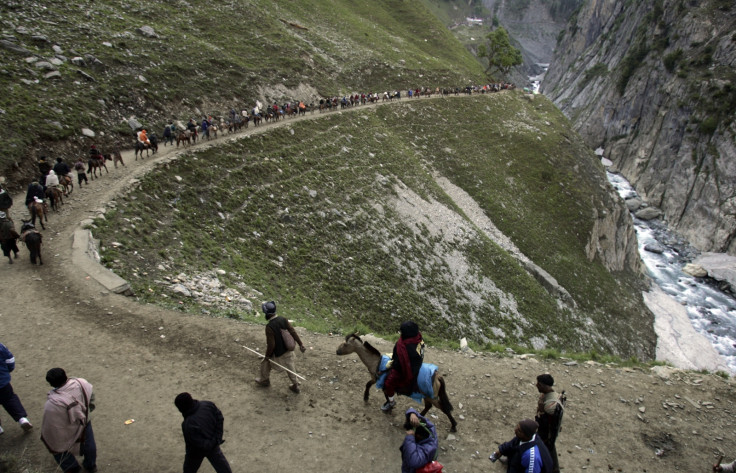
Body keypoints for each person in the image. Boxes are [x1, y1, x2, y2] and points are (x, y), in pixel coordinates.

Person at [41, 368, 97, 473]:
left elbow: (51, 427)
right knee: (89, 445)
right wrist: (88, 412)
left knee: (58, 450)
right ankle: (90, 466)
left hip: (66, 428)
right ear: (65, 376)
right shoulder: (81, 383)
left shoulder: (52, 404)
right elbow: (91, 398)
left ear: (51, 384)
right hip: (84, 421)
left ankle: (74, 469)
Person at [254, 300, 306, 393]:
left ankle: (264, 380)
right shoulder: (283, 319)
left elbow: (271, 344)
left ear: (267, 314)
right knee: (290, 368)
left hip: (279, 354)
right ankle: (295, 385)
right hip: (289, 350)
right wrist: (301, 344)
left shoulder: (269, 327)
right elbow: (293, 332)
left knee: (265, 363)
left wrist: (267, 356)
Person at [175, 393, 232, 473]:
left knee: (189, 470)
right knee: (222, 467)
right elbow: (219, 418)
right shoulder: (207, 405)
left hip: (196, 453)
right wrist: (217, 438)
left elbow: (197, 443)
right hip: (213, 444)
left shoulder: (188, 424)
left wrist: (213, 443)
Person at [381, 320, 424, 411]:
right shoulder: (418, 338)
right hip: (418, 363)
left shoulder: (404, 347)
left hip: (409, 368)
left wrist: (393, 364)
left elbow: (400, 363)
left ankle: (391, 402)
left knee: (388, 383)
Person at [0, 342, 33, 435]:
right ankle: (22, 419)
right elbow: (10, 360)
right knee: (10, 399)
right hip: (2, 383)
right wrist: (7, 371)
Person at [535, 374, 562, 473]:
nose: (536, 385)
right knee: (549, 448)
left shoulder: (550, 406)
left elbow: (549, 422)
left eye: (538, 384)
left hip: (545, 432)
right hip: (544, 431)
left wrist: (542, 411)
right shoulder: (549, 395)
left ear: (543, 385)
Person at [400, 408, 438, 473]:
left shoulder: (427, 449)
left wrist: (409, 438)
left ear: (418, 436)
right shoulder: (430, 429)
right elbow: (424, 420)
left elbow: (413, 462)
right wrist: (412, 413)